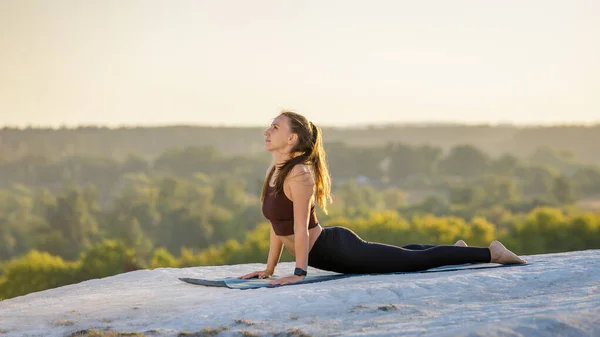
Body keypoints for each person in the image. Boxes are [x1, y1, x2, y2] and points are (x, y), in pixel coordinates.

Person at [238, 111, 527, 286]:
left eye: (275, 127)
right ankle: (455, 251)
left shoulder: (299, 174)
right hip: (328, 253)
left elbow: (299, 228)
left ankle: (492, 253)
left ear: (292, 139)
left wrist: (299, 273)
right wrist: (269, 270)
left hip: (338, 250)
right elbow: (278, 226)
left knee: (413, 262)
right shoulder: (274, 171)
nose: (267, 131)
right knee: (402, 253)